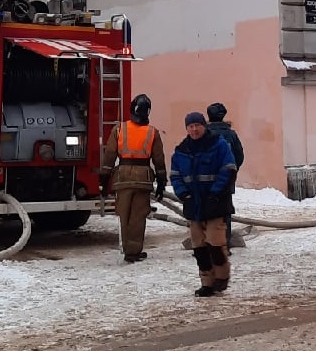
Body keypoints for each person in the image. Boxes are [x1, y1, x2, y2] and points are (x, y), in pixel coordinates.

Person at [171, 111, 237, 297]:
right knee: (199, 248)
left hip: (215, 202)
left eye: (197, 125)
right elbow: (175, 175)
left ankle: (222, 278)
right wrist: (184, 194)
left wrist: (216, 193)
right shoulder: (181, 151)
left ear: (204, 125)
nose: (194, 129)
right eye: (190, 126)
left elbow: (229, 169)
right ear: (186, 129)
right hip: (194, 205)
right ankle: (207, 283)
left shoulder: (219, 145)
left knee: (216, 245)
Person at [99, 93, 167, 263]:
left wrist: (103, 180)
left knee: (124, 214)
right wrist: (161, 183)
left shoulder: (119, 129)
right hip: (143, 179)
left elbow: (109, 157)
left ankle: (127, 248)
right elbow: (159, 160)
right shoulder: (153, 132)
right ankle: (134, 251)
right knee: (138, 215)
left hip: (122, 177)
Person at [205, 102, 244, 247]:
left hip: (205, 181)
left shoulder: (202, 134)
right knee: (225, 211)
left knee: (206, 211)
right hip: (226, 180)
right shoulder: (231, 135)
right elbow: (239, 156)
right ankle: (223, 245)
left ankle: (208, 243)